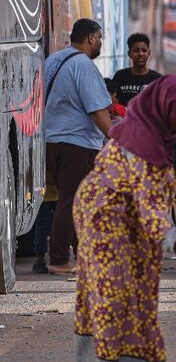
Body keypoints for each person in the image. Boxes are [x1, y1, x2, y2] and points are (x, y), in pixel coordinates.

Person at [73, 74, 176, 362]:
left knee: (143, 301)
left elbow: (156, 202)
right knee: (112, 298)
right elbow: (151, 206)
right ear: (165, 107)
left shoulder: (168, 137)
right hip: (103, 219)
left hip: (139, 223)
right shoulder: (139, 141)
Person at [44, 18, 113, 274]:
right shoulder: (84, 65)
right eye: (100, 38)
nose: (101, 43)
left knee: (75, 200)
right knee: (72, 201)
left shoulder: (54, 60)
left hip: (52, 141)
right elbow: (97, 111)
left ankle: (82, 256)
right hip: (77, 144)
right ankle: (60, 259)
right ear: (92, 37)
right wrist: (118, 138)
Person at [112, 33, 162, 107]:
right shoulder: (120, 76)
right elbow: (111, 101)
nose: (140, 54)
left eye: (144, 50)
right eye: (136, 50)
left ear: (149, 53)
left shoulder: (157, 79)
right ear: (129, 54)